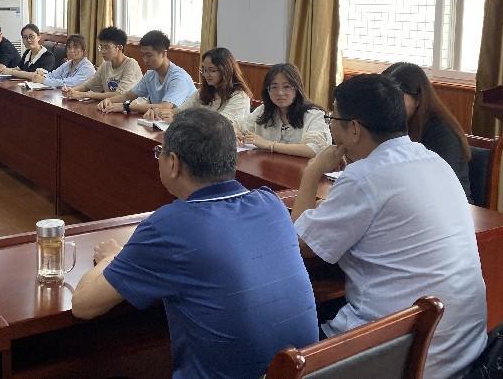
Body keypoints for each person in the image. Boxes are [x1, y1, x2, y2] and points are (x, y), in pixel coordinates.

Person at [71, 108, 319, 379]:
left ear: (173, 163)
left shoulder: (170, 226)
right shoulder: (270, 203)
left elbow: (83, 305)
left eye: (159, 153)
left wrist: (112, 256)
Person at [292, 74, 487, 379]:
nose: (331, 126)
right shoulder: (433, 160)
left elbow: (298, 246)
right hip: (464, 352)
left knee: (279, 336)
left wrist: (312, 171)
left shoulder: (365, 177)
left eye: (333, 118)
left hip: (402, 358)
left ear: (354, 129)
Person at [382, 62, 471, 200]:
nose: (389, 105)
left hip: (448, 203)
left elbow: (439, 183)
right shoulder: (392, 123)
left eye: (397, 97)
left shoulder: (443, 132)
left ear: (418, 99)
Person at [144, 47, 252, 130]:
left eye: (212, 70)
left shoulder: (240, 96)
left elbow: (221, 124)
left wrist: (181, 119)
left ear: (226, 71)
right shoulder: (203, 92)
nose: (206, 75)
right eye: (204, 70)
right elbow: (180, 111)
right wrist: (159, 112)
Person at [237, 63, 331, 157]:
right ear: (268, 90)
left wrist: (270, 145)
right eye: (274, 87)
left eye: (286, 87)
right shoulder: (263, 110)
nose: (280, 93)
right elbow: (240, 127)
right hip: (268, 164)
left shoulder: (314, 115)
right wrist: (237, 134)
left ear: (297, 88)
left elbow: (315, 149)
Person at [96, 30, 195, 115]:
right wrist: (108, 101)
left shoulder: (179, 77)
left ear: (163, 54)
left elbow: (165, 107)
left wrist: (126, 106)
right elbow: (128, 96)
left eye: (149, 55)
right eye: (143, 55)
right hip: (162, 121)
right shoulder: (150, 74)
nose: (145, 60)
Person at [61, 26, 142, 100]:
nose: (103, 51)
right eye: (101, 47)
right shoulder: (106, 64)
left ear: (119, 48)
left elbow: (120, 95)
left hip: (133, 108)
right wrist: (72, 90)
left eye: (106, 47)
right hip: (111, 107)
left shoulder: (131, 65)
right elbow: (88, 85)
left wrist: (85, 95)